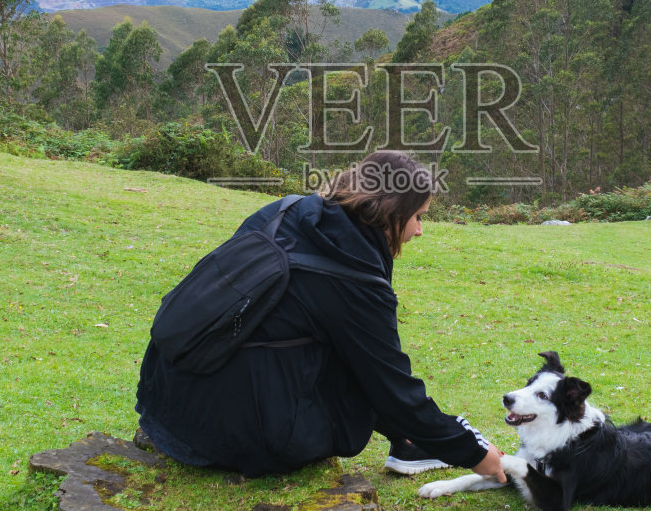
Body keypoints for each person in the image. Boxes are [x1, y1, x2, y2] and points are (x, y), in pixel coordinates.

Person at [135, 149, 507, 482]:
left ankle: (408, 439)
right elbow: (390, 385)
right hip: (229, 433)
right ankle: (410, 440)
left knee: (332, 346)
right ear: (391, 211)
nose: (420, 231)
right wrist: (474, 454)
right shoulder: (354, 276)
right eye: (418, 217)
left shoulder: (284, 212)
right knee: (359, 367)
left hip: (166, 397)